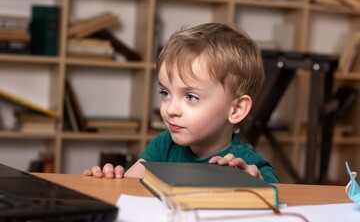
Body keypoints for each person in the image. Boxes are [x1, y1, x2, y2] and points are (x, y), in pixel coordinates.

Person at [83, 22, 279, 183]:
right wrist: (112, 180)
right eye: (165, 93)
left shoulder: (246, 163)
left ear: (236, 109)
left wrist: (256, 181)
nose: (171, 109)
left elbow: (277, 197)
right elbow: (130, 186)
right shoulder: (163, 145)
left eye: (190, 97)